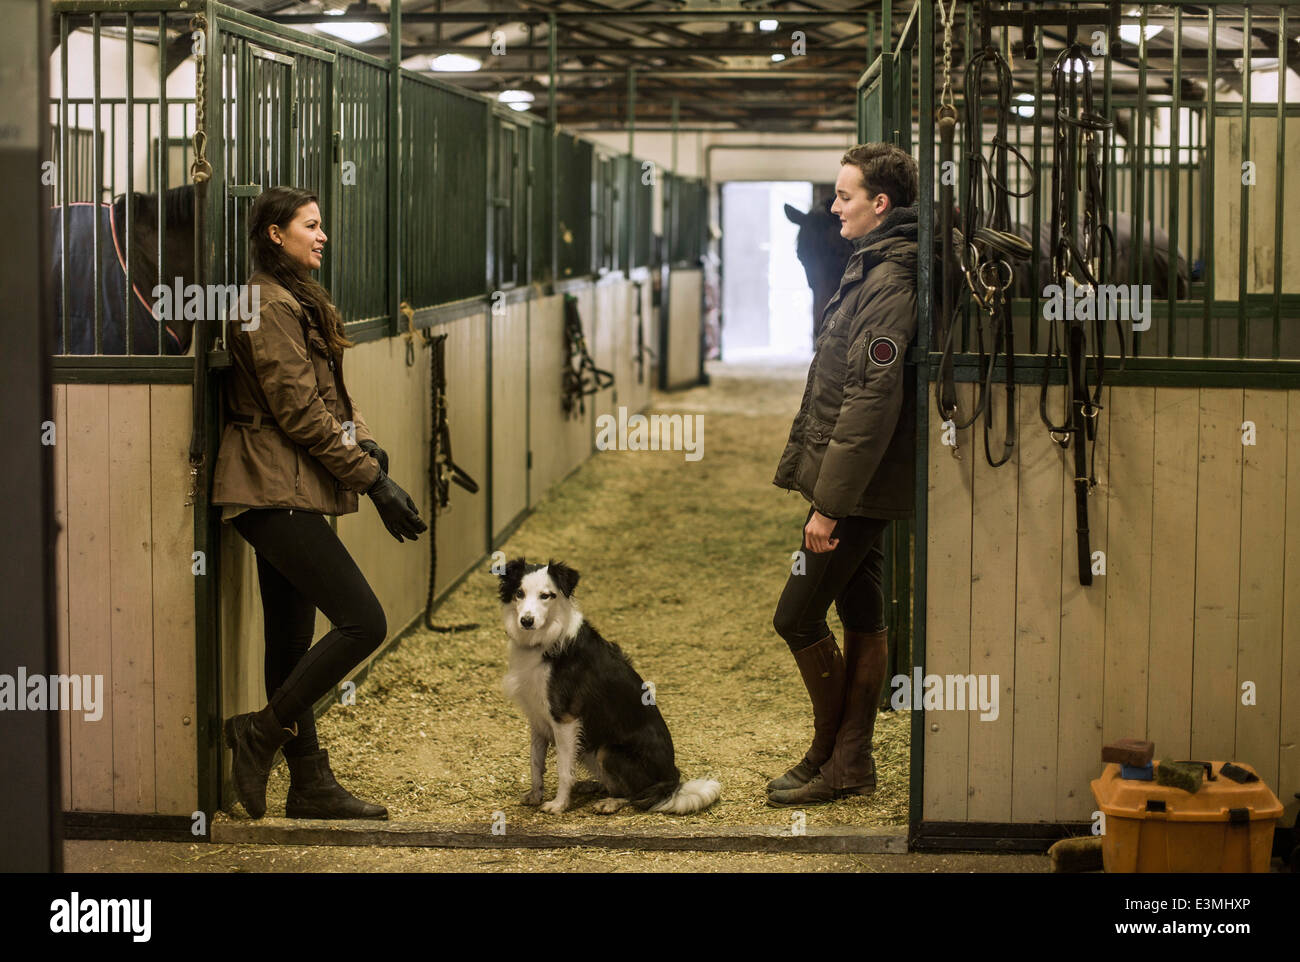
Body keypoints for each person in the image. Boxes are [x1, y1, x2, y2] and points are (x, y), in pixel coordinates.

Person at [212, 186, 427, 820]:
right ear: (275, 234)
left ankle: (308, 782)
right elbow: (297, 410)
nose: (322, 234)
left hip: (292, 486)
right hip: (268, 488)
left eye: (322, 224)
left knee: (289, 640)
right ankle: (259, 732)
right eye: (310, 225)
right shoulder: (264, 303)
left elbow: (331, 395)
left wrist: (367, 442)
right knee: (365, 622)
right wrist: (373, 481)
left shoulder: (297, 298)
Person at [767, 143, 919, 806]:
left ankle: (834, 753)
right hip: (857, 484)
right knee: (862, 608)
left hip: (856, 490)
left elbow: (871, 399)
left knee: (796, 615)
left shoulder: (890, 280)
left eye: (845, 196)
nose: (833, 208)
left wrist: (827, 506)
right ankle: (847, 761)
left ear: (879, 204)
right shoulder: (873, 264)